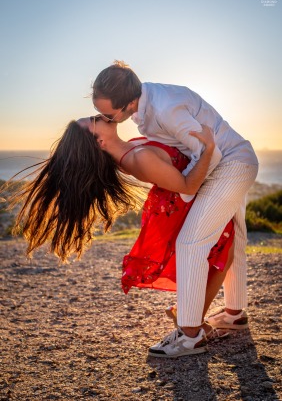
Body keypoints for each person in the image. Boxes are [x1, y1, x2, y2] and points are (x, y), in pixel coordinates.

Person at [12, 117, 233, 357]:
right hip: (178, 206)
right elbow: (188, 187)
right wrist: (209, 149)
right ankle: (190, 322)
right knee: (222, 254)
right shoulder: (139, 158)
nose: (97, 115)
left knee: (219, 254)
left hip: (180, 204)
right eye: (93, 120)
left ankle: (189, 315)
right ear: (99, 141)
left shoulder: (132, 147)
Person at [91, 61, 259, 357]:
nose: (104, 117)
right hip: (235, 159)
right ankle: (234, 314)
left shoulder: (165, 109)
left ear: (129, 102)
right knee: (238, 239)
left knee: (191, 242)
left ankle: (190, 336)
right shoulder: (147, 102)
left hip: (230, 164)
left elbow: (211, 152)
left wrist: (184, 195)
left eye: (107, 113)